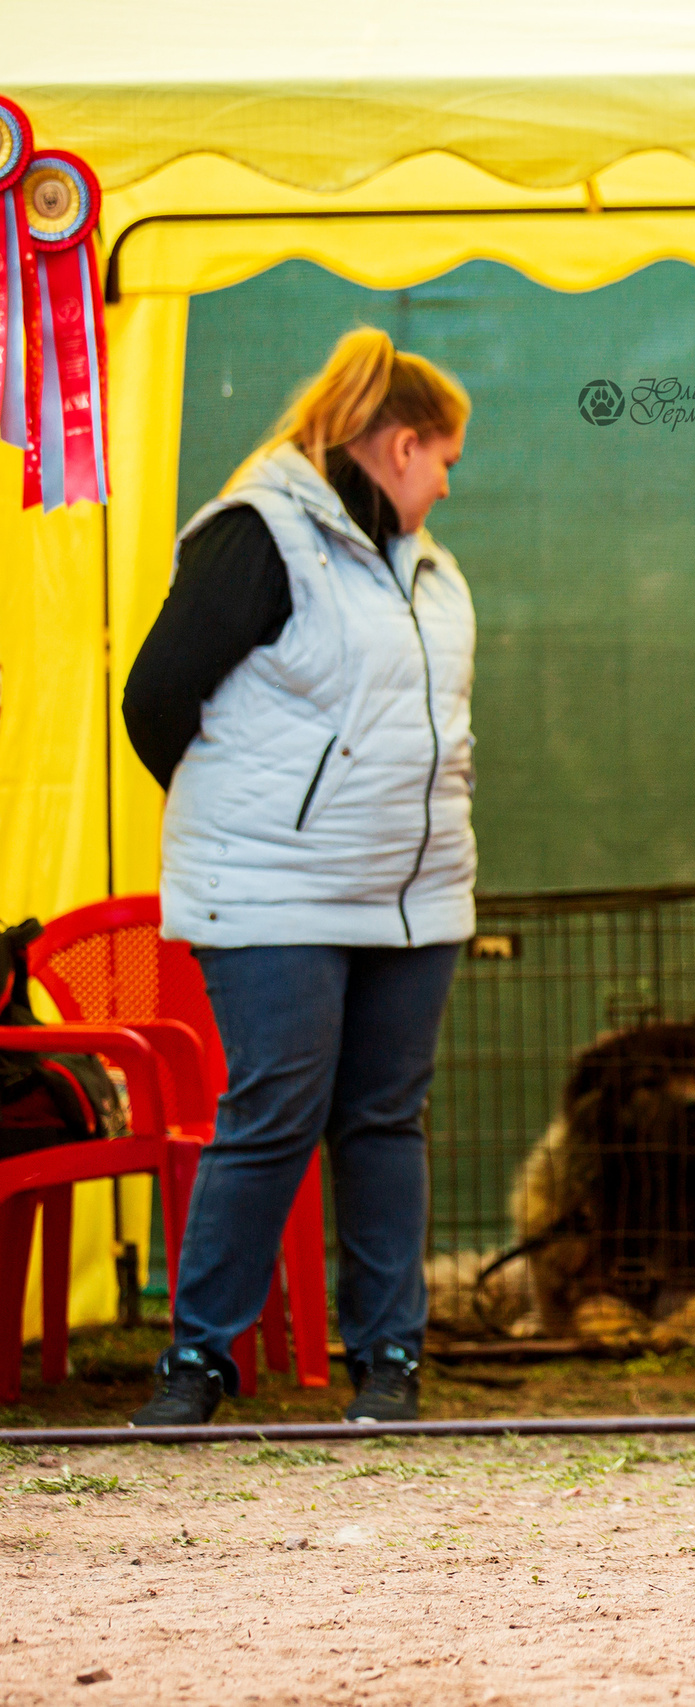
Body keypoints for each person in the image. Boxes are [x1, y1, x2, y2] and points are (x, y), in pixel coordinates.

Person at [122, 327, 475, 1428]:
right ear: (404, 446)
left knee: (382, 1120)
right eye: (448, 461)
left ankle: (387, 1360)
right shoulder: (255, 535)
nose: (450, 487)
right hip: (274, 888)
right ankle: (198, 1360)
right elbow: (154, 701)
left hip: (413, 896)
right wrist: (263, 815)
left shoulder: (427, 564)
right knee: (274, 1109)